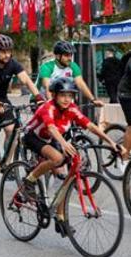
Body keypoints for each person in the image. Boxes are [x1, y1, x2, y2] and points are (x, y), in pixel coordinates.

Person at [20, 77, 125, 236]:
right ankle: (29, 180)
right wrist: (63, 143)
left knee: (64, 177)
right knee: (57, 158)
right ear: (54, 95)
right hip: (33, 137)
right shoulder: (47, 108)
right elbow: (51, 128)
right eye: (63, 95)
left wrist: (111, 142)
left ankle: (59, 217)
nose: (67, 99)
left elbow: (90, 125)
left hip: (52, 139)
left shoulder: (71, 108)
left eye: (70, 95)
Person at [0, 34, 42, 148]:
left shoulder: (12, 64)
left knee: (11, 131)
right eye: (3, 52)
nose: (7, 55)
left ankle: (7, 164)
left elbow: (26, 80)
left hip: (2, 97)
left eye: (9, 51)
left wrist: (38, 97)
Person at [39, 41, 102, 107]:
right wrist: (54, 106)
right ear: (58, 56)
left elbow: (80, 83)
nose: (69, 58)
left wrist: (93, 100)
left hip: (61, 102)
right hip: (42, 100)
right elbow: (47, 88)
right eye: (66, 55)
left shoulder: (73, 66)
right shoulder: (47, 67)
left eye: (70, 55)